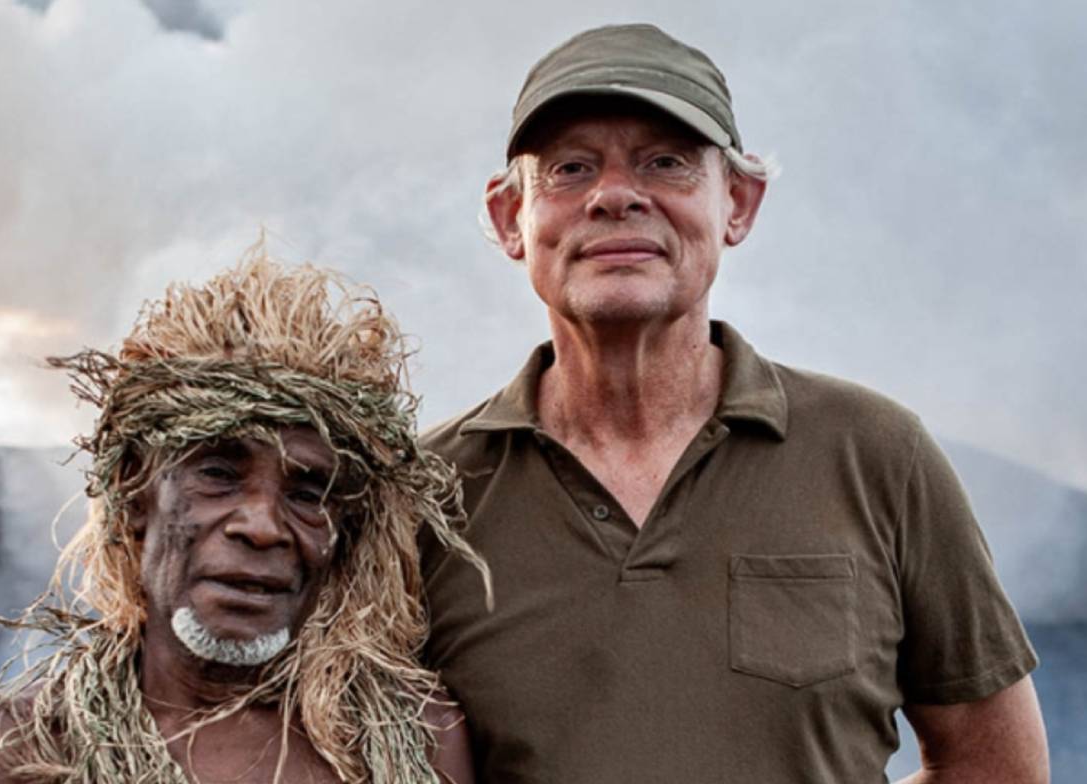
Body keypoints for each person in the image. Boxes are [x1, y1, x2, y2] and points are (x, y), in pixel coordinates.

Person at [420, 23, 1049, 783]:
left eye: (667, 163)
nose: (614, 195)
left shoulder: (877, 454)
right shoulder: (428, 497)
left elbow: (997, 766)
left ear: (739, 203)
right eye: (570, 167)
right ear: (508, 216)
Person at [0, 252, 488, 783]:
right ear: (135, 493)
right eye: (217, 473)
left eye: (308, 491)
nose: (262, 526)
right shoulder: (1, 756)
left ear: (344, 529)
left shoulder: (414, 741)